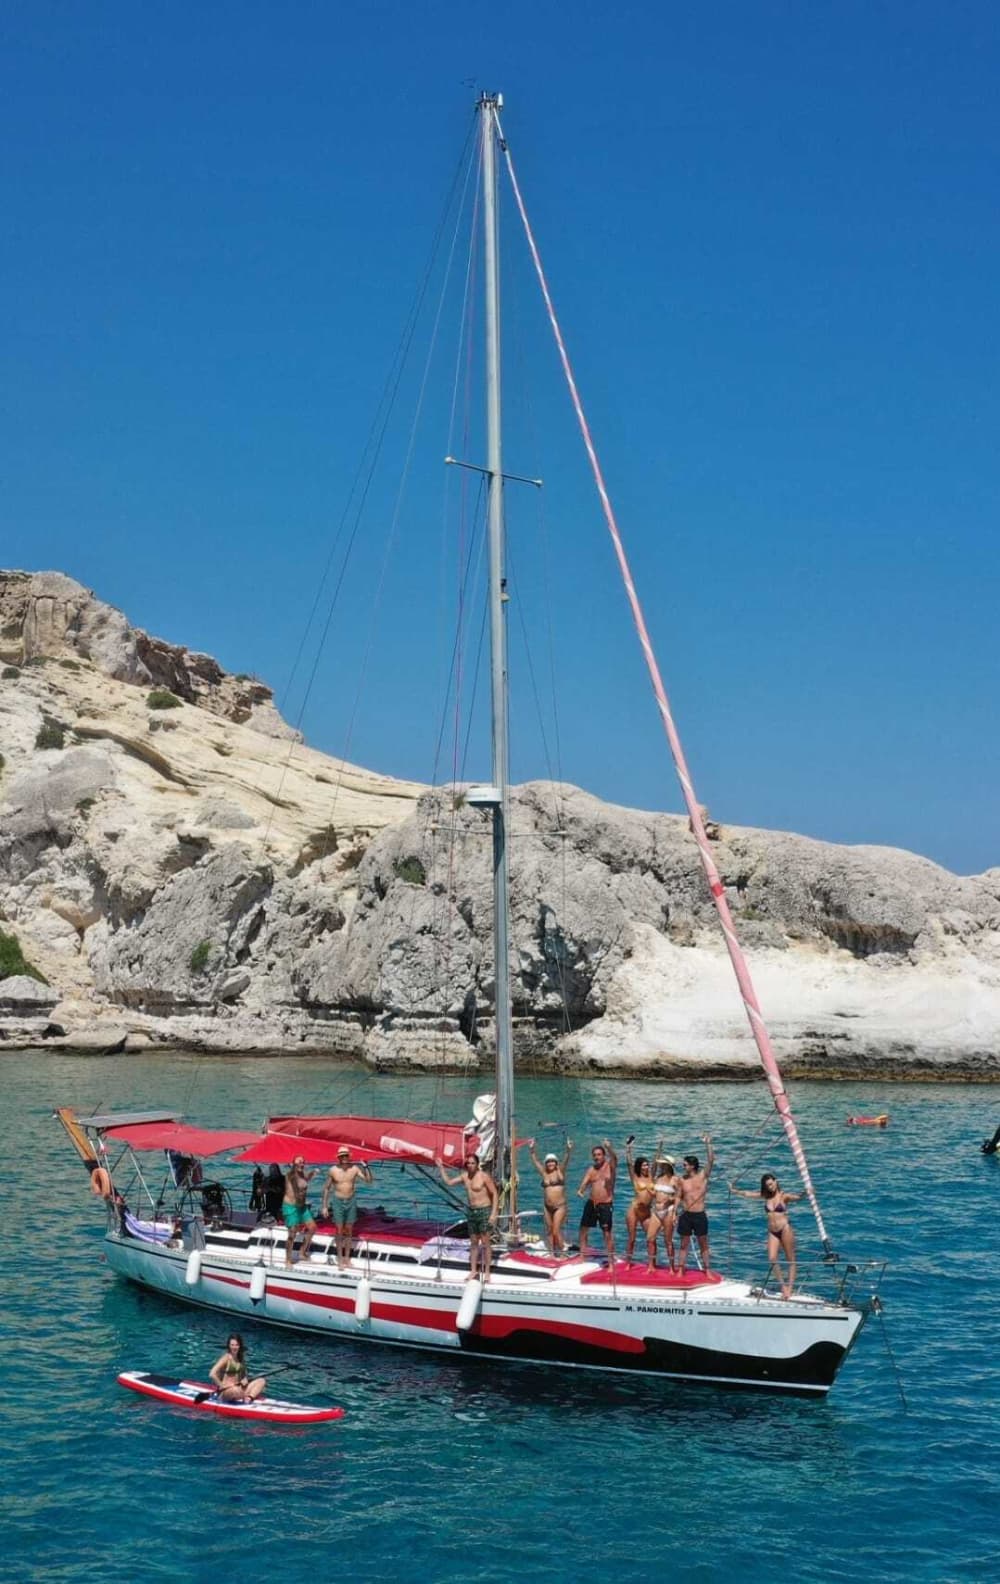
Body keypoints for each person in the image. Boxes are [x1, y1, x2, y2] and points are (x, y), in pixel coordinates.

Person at [730, 1172, 805, 1298]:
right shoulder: (766, 1197)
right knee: (772, 1258)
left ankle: (789, 1288)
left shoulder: (784, 1196)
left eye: (771, 1184)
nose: (770, 1187)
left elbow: (798, 1197)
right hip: (773, 1231)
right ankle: (783, 1286)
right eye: (768, 1185)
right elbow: (748, 1194)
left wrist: (806, 1193)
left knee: (790, 1260)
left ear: (776, 1181)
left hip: (785, 1228)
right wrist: (735, 1191)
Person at [438, 1152, 499, 1282]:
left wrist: (493, 1213)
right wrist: (441, 1167)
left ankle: (487, 1272)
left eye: (473, 1163)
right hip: (471, 1212)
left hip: (484, 1211)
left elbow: (494, 1194)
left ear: (477, 1164)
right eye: (468, 1163)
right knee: (474, 1243)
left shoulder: (484, 1177)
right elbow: (449, 1182)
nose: (470, 1165)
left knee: (486, 1242)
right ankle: (473, 1270)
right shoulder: (465, 1177)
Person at [321, 1146, 374, 1270]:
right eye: (342, 1156)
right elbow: (326, 1188)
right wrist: (324, 1206)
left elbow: (369, 1181)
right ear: (339, 1158)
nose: (344, 1158)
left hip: (351, 1200)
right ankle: (340, 1259)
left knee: (349, 1230)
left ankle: (347, 1258)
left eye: (346, 1156)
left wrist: (366, 1166)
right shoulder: (333, 1170)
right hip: (338, 1201)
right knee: (339, 1231)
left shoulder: (354, 1169)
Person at [676, 1134, 715, 1276]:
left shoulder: (702, 1176)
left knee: (703, 1243)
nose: (683, 1166)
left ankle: (707, 1269)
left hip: (699, 1214)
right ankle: (681, 1268)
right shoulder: (682, 1180)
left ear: (692, 1166)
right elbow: (678, 1196)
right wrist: (675, 1211)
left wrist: (708, 1144)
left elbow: (711, 1160)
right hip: (686, 1214)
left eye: (685, 1164)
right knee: (683, 1244)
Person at [527, 1138, 573, 1255]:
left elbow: (566, 1160)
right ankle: (552, 1253)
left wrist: (568, 1150)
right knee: (549, 1231)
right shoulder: (544, 1173)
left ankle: (563, 1252)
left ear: (556, 1163)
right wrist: (532, 1149)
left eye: (552, 1161)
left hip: (559, 1207)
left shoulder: (560, 1172)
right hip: (547, 1207)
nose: (550, 1163)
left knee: (556, 1230)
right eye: (548, 1162)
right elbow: (535, 1161)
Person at [576, 1140, 617, 1260]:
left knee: (607, 1233)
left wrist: (609, 1147)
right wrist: (581, 1190)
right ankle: (582, 1257)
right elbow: (585, 1182)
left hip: (605, 1204)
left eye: (599, 1154)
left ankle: (611, 1261)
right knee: (583, 1230)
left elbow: (614, 1157)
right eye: (594, 1155)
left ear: (604, 1155)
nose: (596, 1157)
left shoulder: (610, 1167)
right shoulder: (591, 1169)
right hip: (591, 1203)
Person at [645, 1154, 680, 1273]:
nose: (661, 1166)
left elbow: (679, 1196)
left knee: (668, 1241)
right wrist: (650, 1192)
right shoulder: (658, 1177)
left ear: (668, 1166)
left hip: (668, 1211)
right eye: (661, 1165)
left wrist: (673, 1204)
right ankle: (651, 1265)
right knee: (650, 1238)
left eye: (664, 1165)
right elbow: (656, 1193)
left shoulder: (675, 1179)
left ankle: (671, 1267)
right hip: (656, 1210)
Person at [209, 1333, 266, 1402]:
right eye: (232, 1345)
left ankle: (249, 1398)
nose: (234, 1347)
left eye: (237, 1345)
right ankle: (245, 1395)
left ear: (240, 1346)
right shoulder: (226, 1358)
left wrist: (244, 1379)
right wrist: (222, 1386)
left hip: (238, 1389)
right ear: (229, 1346)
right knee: (235, 1390)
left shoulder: (241, 1359)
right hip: (226, 1392)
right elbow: (212, 1374)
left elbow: (245, 1375)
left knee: (261, 1381)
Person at [282, 1154, 317, 1267]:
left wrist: (312, 1173)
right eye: (299, 1162)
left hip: (302, 1207)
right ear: (294, 1164)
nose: (301, 1163)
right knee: (292, 1232)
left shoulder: (302, 1174)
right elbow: (296, 1188)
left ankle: (302, 1252)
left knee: (312, 1227)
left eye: (303, 1162)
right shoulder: (290, 1175)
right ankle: (288, 1259)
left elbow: (305, 1180)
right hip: (291, 1207)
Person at [624, 1142, 655, 1263]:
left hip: (646, 1212)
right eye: (643, 1165)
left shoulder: (651, 1176)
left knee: (651, 1239)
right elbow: (628, 1163)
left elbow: (656, 1161)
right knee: (632, 1238)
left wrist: (660, 1145)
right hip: (634, 1209)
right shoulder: (635, 1177)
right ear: (639, 1167)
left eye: (647, 1165)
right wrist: (628, 1149)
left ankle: (652, 1264)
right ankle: (628, 1263)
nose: (646, 1167)